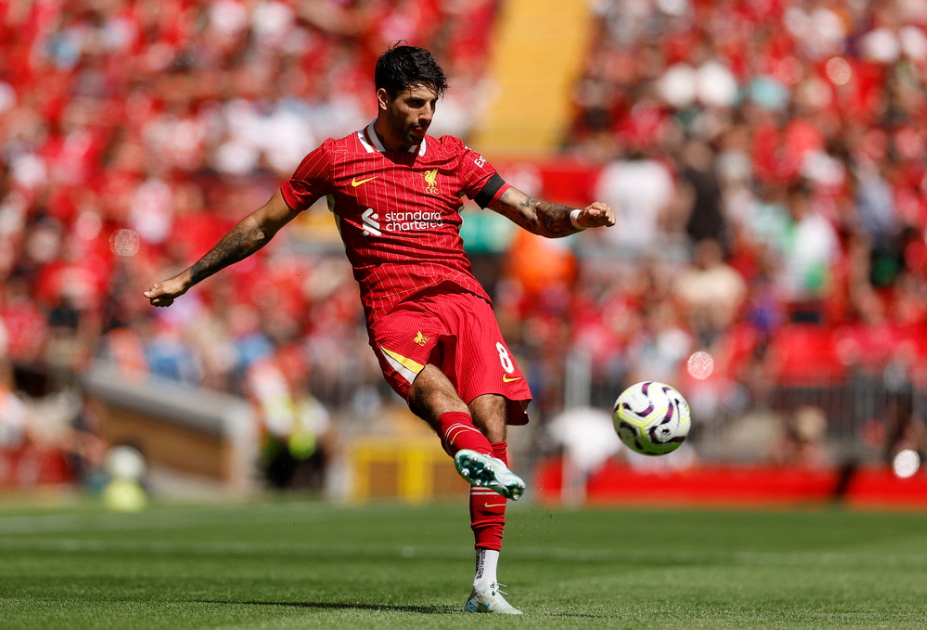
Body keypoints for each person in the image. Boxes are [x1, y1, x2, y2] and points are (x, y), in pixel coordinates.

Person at [145, 44, 615, 615]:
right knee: (441, 402)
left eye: (433, 105)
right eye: (415, 103)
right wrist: (187, 277)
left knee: (491, 425)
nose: (426, 116)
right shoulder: (336, 159)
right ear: (384, 97)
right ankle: (471, 455)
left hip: (464, 300)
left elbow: (531, 213)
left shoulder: (453, 157)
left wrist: (576, 219)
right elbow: (264, 224)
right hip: (396, 312)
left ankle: (485, 584)